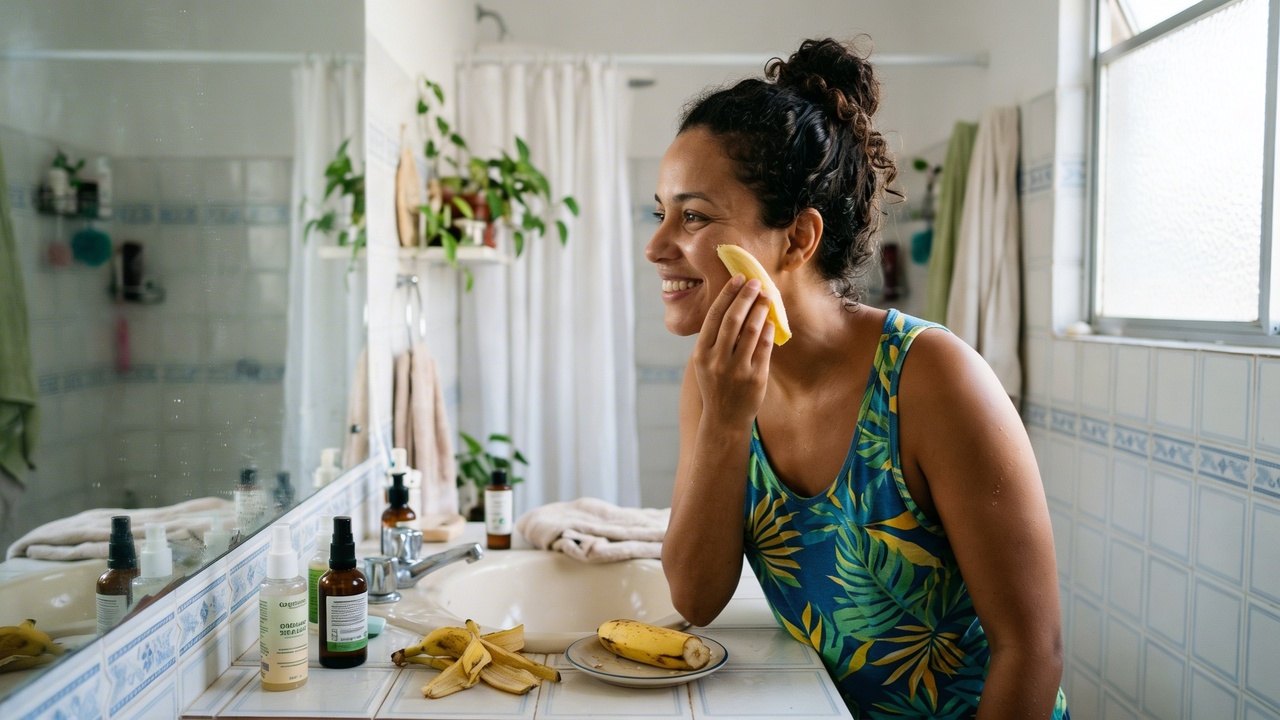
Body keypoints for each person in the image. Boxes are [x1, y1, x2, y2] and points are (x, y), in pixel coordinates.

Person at [648, 38, 1069, 719]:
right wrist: (724, 422)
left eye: (692, 216)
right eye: (660, 212)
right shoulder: (715, 383)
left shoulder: (933, 380)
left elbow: (1032, 649)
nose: (656, 245)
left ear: (798, 239)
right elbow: (695, 598)